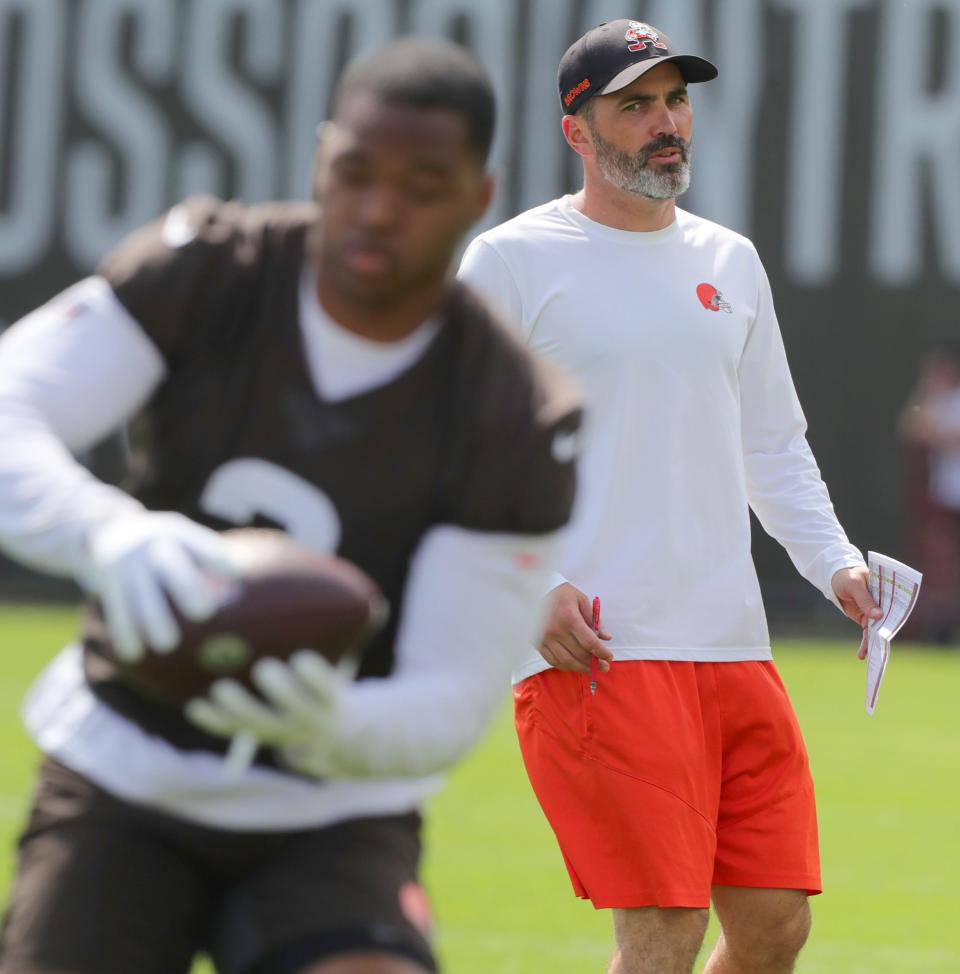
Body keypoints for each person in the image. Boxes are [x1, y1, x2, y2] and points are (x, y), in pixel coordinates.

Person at [0, 37, 581, 974]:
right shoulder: (212, 269)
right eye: (353, 172)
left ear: (478, 197)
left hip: (331, 806)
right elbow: (9, 408)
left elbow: (452, 693)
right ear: (318, 158)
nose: (378, 210)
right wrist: (104, 533)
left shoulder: (512, 408)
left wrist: (332, 727)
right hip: (126, 763)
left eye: (423, 185)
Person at [459, 18, 881, 974]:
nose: (666, 124)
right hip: (600, 646)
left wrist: (836, 565)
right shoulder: (512, 261)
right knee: (663, 933)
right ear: (577, 131)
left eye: (676, 101)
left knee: (775, 926)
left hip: (730, 645)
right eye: (635, 105)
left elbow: (770, 443)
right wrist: (532, 584)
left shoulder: (730, 261)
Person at [898, 347, 960, 642]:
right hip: (945, 497)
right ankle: (941, 629)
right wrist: (926, 392)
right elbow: (912, 430)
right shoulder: (935, 402)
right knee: (942, 566)